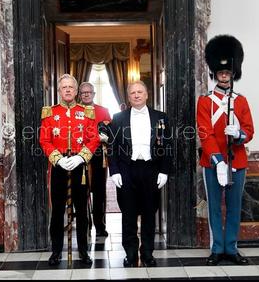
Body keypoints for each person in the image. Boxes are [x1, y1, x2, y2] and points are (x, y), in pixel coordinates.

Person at [197, 35, 254, 266]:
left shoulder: (241, 101)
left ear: (233, 73)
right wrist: (218, 160)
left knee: (234, 207)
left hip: (237, 161)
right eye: (220, 73)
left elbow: (250, 130)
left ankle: (231, 247)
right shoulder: (205, 101)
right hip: (212, 162)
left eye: (228, 72)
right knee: (214, 208)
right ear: (215, 73)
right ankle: (216, 248)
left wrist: (239, 134)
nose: (224, 75)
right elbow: (204, 132)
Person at [108, 80, 173, 267]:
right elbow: (112, 147)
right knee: (128, 214)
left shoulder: (161, 117)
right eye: (133, 93)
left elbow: (167, 145)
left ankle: (147, 253)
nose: (136, 95)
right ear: (128, 97)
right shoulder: (118, 118)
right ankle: (130, 253)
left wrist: (164, 171)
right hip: (127, 170)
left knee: (149, 214)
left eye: (140, 92)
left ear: (146, 95)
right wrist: (115, 171)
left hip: (151, 169)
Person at [39, 74, 100, 266]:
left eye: (70, 87)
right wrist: (57, 159)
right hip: (59, 166)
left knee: (82, 211)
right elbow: (44, 140)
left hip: (78, 165)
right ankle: (56, 251)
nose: (67, 90)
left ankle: (83, 250)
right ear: (59, 91)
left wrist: (81, 156)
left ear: (76, 91)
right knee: (57, 211)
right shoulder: (49, 113)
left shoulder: (87, 112)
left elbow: (94, 139)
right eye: (64, 87)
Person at [78, 82, 112, 237]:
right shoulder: (75, 111)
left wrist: (105, 136)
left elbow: (110, 132)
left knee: (99, 192)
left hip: (98, 155)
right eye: (83, 92)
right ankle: (84, 225)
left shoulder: (103, 111)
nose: (86, 94)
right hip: (79, 155)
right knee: (81, 192)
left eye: (89, 92)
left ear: (93, 93)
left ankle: (100, 225)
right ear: (79, 94)